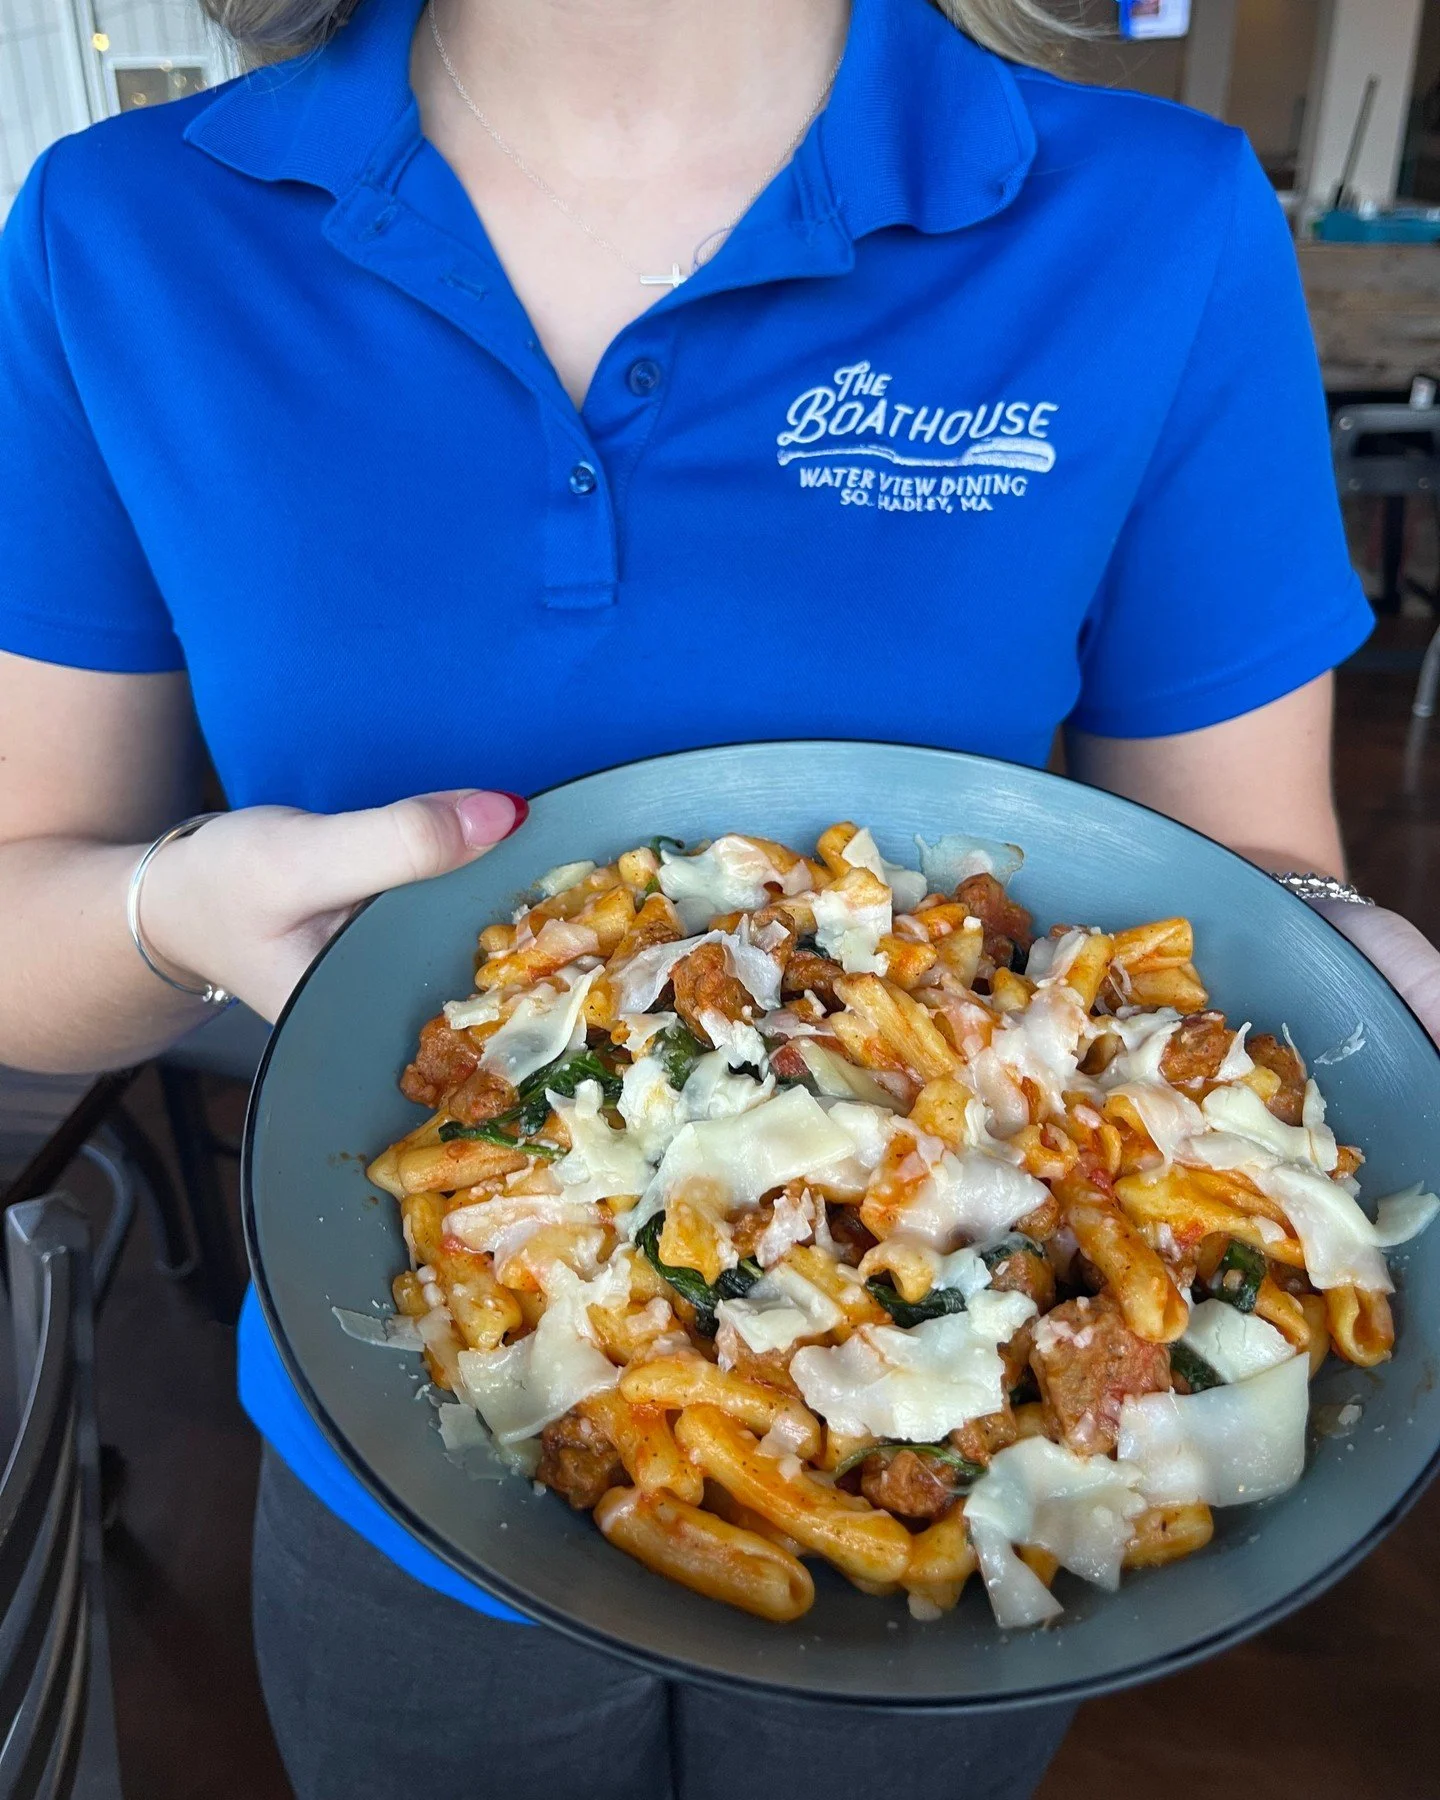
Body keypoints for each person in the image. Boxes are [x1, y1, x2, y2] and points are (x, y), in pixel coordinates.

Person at [3, 0, 1439, 1793]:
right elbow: (17, 922)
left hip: (989, 1476)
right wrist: (166, 911)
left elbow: (1243, 871)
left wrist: (1338, 962)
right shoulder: (116, 229)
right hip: (403, 1454)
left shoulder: (1159, 216)